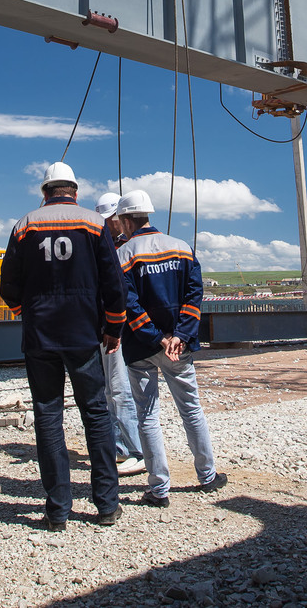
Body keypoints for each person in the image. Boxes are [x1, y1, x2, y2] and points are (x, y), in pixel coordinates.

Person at [0, 163, 126, 531]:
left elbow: (9, 284)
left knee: (48, 416)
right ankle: (106, 504)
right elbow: (112, 282)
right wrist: (114, 327)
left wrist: (27, 311)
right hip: (83, 335)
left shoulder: (25, 225)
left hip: (40, 336)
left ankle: (57, 510)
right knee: (96, 414)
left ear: (45, 192)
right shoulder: (94, 223)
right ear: (75, 190)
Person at [113, 190, 223, 508]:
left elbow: (129, 304)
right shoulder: (182, 247)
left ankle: (159, 489)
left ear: (124, 220)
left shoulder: (124, 254)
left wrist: (155, 337)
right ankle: (207, 475)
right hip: (179, 345)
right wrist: (181, 335)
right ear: (148, 214)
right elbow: (194, 292)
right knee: (191, 410)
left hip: (142, 347)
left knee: (147, 416)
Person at [94, 192, 147, 479]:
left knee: (120, 388)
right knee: (110, 389)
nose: (108, 225)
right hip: (111, 326)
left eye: (110, 220)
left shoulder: (126, 249)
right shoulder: (113, 245)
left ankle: (135, 450)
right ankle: (119, 447)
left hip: (120, 327)